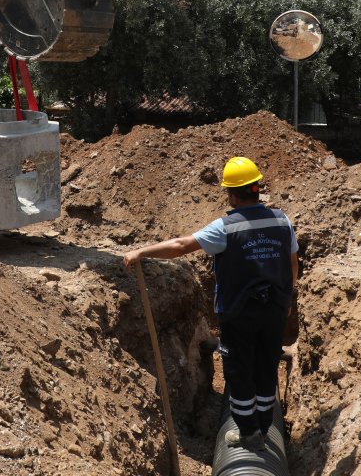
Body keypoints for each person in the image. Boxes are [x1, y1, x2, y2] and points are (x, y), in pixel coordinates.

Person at [123, 156, 298, 451]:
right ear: (257, 187)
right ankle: (265, 427)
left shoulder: (226, 228)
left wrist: (141, 251)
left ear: (231, 193)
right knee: (267, 366)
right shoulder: (282, 221)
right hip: (275, 309)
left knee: (239, 371)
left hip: (240, 313)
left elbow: (181, 246)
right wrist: (289, 297)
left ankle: (249, 434)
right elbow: (292, 262)